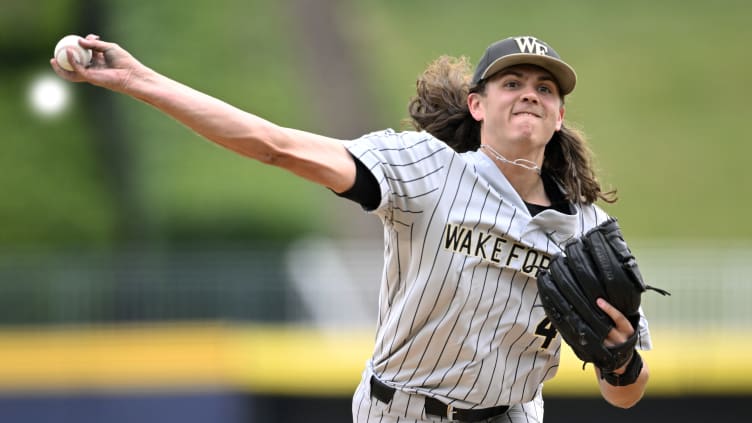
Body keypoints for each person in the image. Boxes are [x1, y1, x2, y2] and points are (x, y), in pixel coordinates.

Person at [52, 34, 652, 422]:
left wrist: (621, 360)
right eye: (512, 83)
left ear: (560, 113)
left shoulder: (589, 234)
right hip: (400, 412)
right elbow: (274, 146)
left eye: (545, 88)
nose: (530, 94)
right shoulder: (425, 170)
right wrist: (138, 80)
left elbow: (625, 391)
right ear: (477, 105)